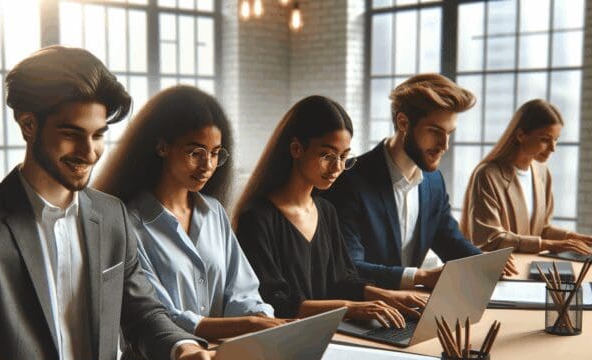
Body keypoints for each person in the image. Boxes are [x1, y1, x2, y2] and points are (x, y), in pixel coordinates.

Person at [0, 46, 212, 360]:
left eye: (98, 135)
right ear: (28, 125)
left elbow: (141, 312)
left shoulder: (112, 215)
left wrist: (181, 346)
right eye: (72, 134)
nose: (89, 152)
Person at [93, 86, 285, 342]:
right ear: (162, 147)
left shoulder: (214, 212)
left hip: (223, 355)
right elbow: (160, 316)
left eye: (215, 154)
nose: (207, 166)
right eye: (195, 152)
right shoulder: (128, 222)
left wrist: (261, 317)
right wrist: (248, 325)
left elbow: (242, 291)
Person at [233, 96, 427, 329]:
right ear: (296, 148)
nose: (337, 168)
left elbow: (342, 280)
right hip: (288, 344)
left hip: (334, 335)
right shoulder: (257, 218)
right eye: (327, 155)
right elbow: (275, 303)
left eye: (344, 157)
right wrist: (350, 307)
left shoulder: (326, 211)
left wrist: (387, 295)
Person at [324, 73, 517, 291]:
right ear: (403, 122)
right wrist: (420, 276)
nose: (444, 145)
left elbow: (449, 240)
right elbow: (349, 268)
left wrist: (484, 261)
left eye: (449, 133)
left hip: (412, 308)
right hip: (362, 312)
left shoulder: (433, 181)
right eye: (435, 131)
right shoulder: (348, 181)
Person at [460, 99, 592, 254]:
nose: (553, 148)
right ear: (520, 135)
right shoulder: (487, 175)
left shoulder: (543, 173)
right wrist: (550, 245)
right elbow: (489, 238)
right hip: (501, 269)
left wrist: (574, 237)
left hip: (530, 265)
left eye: (556, 139)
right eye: (545, 140)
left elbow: (541, 229)